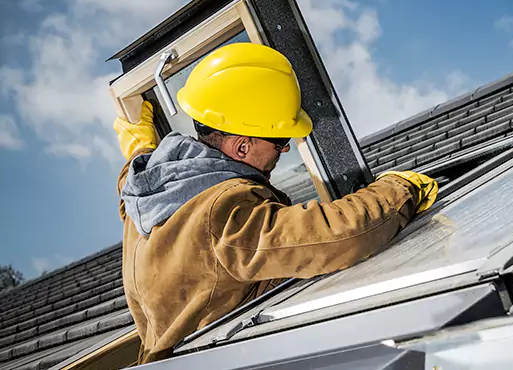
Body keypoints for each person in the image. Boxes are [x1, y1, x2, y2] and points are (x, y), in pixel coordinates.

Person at [112, 42, 438, 364]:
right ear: (241, 148)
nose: (285, 150)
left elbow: (134, 166)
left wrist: (141, 144)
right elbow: (338, 235)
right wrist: (399, 189)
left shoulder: (144, 190)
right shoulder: (225, 215)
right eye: (279, 139)